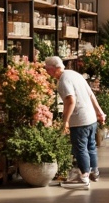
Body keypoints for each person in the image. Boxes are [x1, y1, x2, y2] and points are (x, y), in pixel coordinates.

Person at [44, 56, 105, 190]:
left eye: (47, 70)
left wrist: (65, 121)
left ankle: (84, 177)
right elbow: (91, 95)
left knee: (80, 148)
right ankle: (94, 173)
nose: (47, 73)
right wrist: (99, 112)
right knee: (91, 146)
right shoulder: (75, 75)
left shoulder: (63, 81)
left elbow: (71, 101)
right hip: (91, 118)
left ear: (53, 69)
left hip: (80, 120)